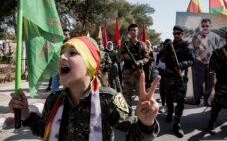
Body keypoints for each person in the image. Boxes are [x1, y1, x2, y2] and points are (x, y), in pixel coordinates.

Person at [9, 36, 161, 141]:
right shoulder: (53, 99)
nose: (62, 57)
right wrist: (26, 114)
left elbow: (134, 136)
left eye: (72, 53)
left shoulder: (107, 99)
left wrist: (146, 124)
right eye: (62, 53)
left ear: (90, 64)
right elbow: (44, 130)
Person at [161, 25, 194, 138]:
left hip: (181, 78)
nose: (176, 35)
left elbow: (191, 60)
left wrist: (181, 65)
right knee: (169, 98)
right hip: (169, 77)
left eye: (178, 33)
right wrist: (166, 50)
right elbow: (162, 59)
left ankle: (177, 124)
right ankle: (170, 112)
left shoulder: (186, 45)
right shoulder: (169, 45)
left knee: (180, 101)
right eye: (174, 33)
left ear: (182, 34)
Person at [191, 18, 222, 106]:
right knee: (197, 84)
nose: (205, 27)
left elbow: (218, 50)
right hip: (198, 63)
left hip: (211, 64)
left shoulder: (216, 37)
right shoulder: (196, 36)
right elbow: (192, 49)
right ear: (201, 26)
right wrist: (196, 58)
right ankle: (197, 101)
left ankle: (207, 101)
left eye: (207, 26)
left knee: (210, 83)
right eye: (203, 26)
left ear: (210, 26)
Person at [118, 23, 150, 106]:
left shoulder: (142, 45)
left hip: (138, 73)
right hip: (127, 74)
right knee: (127, 96)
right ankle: (128, 115)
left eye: (134, 30)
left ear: (137, 32)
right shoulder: (124, 44)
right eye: (131, 30)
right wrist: (125, 56)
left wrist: (141, 62)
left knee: (141, 96)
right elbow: (118, 57)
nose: (132, 32)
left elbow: (147, 57)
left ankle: (142, 116)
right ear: (129, 32)